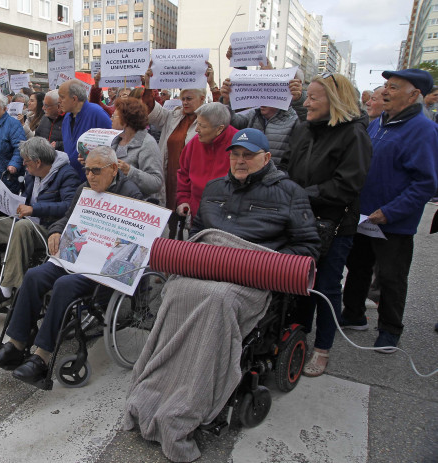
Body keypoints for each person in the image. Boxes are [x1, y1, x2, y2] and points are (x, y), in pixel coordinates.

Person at [125, 129, 319, 463]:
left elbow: (308, 247)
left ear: (266, 158)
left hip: (250, 276)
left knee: (217, 300)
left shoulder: (290, 193)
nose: (240, 161)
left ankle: (190, 399)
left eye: (248, 154)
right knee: (174, 290)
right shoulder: (215, 188)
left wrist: (260, 261)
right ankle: (157, 387)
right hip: (209, 267)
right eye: (235, 155)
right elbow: (200, 230)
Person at [0, 146, 143, 384]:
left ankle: (42, 357)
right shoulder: (84, 190)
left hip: (103, 267)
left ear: (114, 169)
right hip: (78, 255)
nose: (90, 176)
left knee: (65, 285)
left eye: (96, 171)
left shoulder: (131, 194)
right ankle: (16, 345)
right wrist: (55, 231)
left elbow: (137, 241)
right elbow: (67, 218)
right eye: (87, 170)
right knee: (35, 275)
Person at [280, 73, 372, 375]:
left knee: (326, 286)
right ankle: (300, 336)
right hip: (299, 219)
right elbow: (286, 163)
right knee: (299, 281)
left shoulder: (354, 134)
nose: (306, 103)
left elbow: (347, 185)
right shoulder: (304, 129)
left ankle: (322, 349)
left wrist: (303, 195)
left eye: (313, 98)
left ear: (333, 101)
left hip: (333, 224)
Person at [341, 69, 438, 352]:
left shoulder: (425, 130)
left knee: (391, 277)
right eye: (385, 86)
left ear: (414, 95)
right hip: (363, 216)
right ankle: (353, 314)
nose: (384, 92)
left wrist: (391, 212)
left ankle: (390, 331)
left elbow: (426, 183)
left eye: (393, 87)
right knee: (357, 268)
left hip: (393, 222)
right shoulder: (378, 123)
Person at [0, 137, 82, 312]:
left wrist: (34, 209)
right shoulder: (32, 175)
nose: (24, 166)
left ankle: (6, 290)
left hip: (48, 230)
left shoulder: (66, 174)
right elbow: (23, 199)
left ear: (38, 162)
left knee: (22, 227)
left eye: (26, 162)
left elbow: (69, 205)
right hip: (27, 224)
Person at [142, 62, 219, 237]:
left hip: (193, 180)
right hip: (170, 176)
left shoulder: (209, 120)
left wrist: (212, 85)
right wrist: (148, 85)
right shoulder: (173, 115)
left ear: (202, 99)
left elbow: (222, 112)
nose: (184, 102)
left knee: (189, 222)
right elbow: (149, 107)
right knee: (170, 218)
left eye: (189, 99)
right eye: (183, 99)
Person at [175, 102, 238, 222]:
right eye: (197, 123)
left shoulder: (237, 146)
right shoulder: (194, 143)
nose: (197, 129)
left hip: (226, 218)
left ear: (219, 129)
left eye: (202, 126)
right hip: (196, 214)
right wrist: (183, 201)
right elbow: (183, 174)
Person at [219, 78, 303, 165]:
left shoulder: (292, 118)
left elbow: (306, 125)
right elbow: (234, 123)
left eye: (267, 98)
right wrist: (227, 102)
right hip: (252, 171)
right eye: (260, 97)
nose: (262, 102)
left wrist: (299, 100)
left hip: (278, 174)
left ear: (280, 98)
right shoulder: (254, 114)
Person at [107, 97, 163, 200]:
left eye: (114, 116)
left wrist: (130, 171)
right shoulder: (114, 139)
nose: (111, 119)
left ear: (125, 121)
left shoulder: (147, 143)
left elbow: (156, 183)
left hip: (136, 205)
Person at [59, 79, 112, 178]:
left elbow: (112, 146)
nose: (59, 101)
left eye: (62, 97)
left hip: (92, 179)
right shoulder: (67, 117)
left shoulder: (97, 113)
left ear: (74, 99)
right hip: (71, 179)